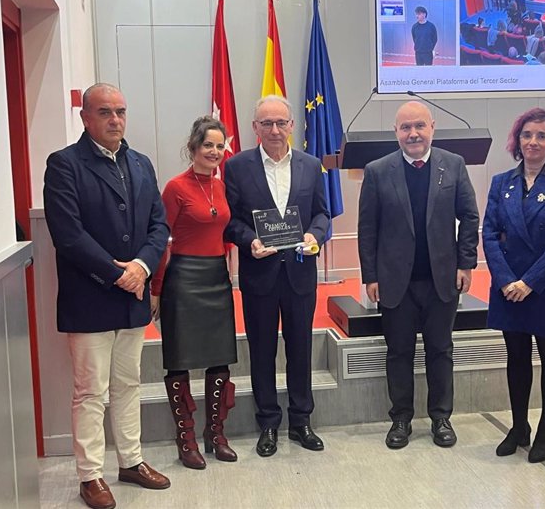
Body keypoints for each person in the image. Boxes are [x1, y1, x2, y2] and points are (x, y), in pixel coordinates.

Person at [43, 83, 171, 509]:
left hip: (133, 292)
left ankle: (131, 461)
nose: (115, 120)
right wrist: (117, 273)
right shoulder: (64, 165)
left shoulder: (141, 163)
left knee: (128, 384)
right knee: (90, 391)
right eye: (104, 112)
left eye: (120, 111)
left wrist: (142, 268)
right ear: (85, 117)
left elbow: (158, 225)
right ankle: (90, 475)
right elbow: (68, 235)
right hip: (91, 296)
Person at [358, 101, 479, 450]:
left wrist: (465, 264)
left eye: (419, 126)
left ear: (432, 127)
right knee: (398, 353)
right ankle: (400, 419)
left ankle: (441, 418)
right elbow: (367, 228)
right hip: (395, 282)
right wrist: (370, 275)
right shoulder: (378, 170)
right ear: (396, 132)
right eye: (405, 127)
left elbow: (469, 217)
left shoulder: (452, 166)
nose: (413, 133)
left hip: (442, 280)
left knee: (441, 350)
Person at [224, 95, 330, 457]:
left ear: (291, 126)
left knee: (300, 349)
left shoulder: (310, 165)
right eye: (266, 123)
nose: (274, 130)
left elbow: (322, 214)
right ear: (255, 127)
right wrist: (250, 240)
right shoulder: (236, 167)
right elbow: (231, 221)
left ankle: (301, 421)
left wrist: (316, 235)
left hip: (300, 273)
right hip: (260, 275)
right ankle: (268, 422)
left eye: (280, 123)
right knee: (262, 350)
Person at [482, 108, 545, 463]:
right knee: (516, 357)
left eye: (541, 135)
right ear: (517, 140)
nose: (533, 142)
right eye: (527, 135)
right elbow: (489, 235)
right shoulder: (501, 182)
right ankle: (519, 426)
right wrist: (508, 280)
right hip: (509, 287)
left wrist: (530, 282)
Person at [150, 117, 238, 470]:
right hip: (183, 280)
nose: (214, 152)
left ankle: (215, 435)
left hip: (217, 277)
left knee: (220, 359)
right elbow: (159, 240)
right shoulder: (175, 187)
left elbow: (224, 230)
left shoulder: (222, 186)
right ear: (193, 148)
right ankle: (185, 439)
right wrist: (156, 288)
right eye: (208, 145)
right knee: (180, 360)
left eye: (219, 146)